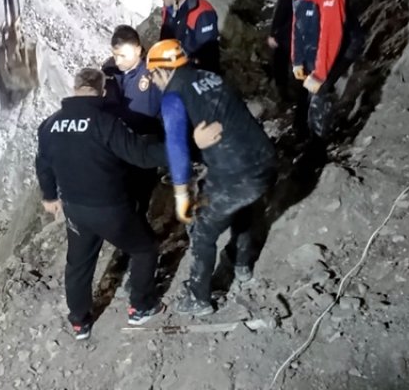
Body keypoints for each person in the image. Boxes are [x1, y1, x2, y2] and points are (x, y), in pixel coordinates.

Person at [36, 68, 168, 340]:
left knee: (78, 264)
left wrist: (49, 196)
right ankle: (141, 306)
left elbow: (43, 164)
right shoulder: (104, 122)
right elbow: (141, 156)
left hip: (74, 209)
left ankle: (78, 322)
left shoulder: (50, 124)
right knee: (144, 249)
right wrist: (178, 148)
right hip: (111, 209)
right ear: (103, 90)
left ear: (74, 89)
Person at [145, 40, 276, 316]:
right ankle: (241, 266)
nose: (153, 82)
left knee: (202, 228)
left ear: (162, 71)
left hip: (236, 172)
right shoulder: (209, 77)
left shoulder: (173, 97)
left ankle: (198, 298)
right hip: (265, 160)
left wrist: (181, 196)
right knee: (240, 206)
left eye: (152, 75)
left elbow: (177, 150)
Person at [274, 0, 349, 139]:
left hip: (332, 53)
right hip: (313, 52)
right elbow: (297, 27)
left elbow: (331, 33)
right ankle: (304, 135)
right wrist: (297, 59)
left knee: (319, 101)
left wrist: (320, 73)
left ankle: (321, 147)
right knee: (306, 98)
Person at [102, 26, 164, 217]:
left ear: (138, 50)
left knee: (138, 199)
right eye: (115, 55)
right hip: (119, 146)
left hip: (142, 146)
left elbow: (144, 116)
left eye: (123, 56)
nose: (118, 61)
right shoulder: (111, 71)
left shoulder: (149, 75)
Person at [153, 0, 221, 74]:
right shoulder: (169, 9)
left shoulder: (202, 13)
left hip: (194, 78)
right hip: (172, 73)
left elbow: (208, 59)